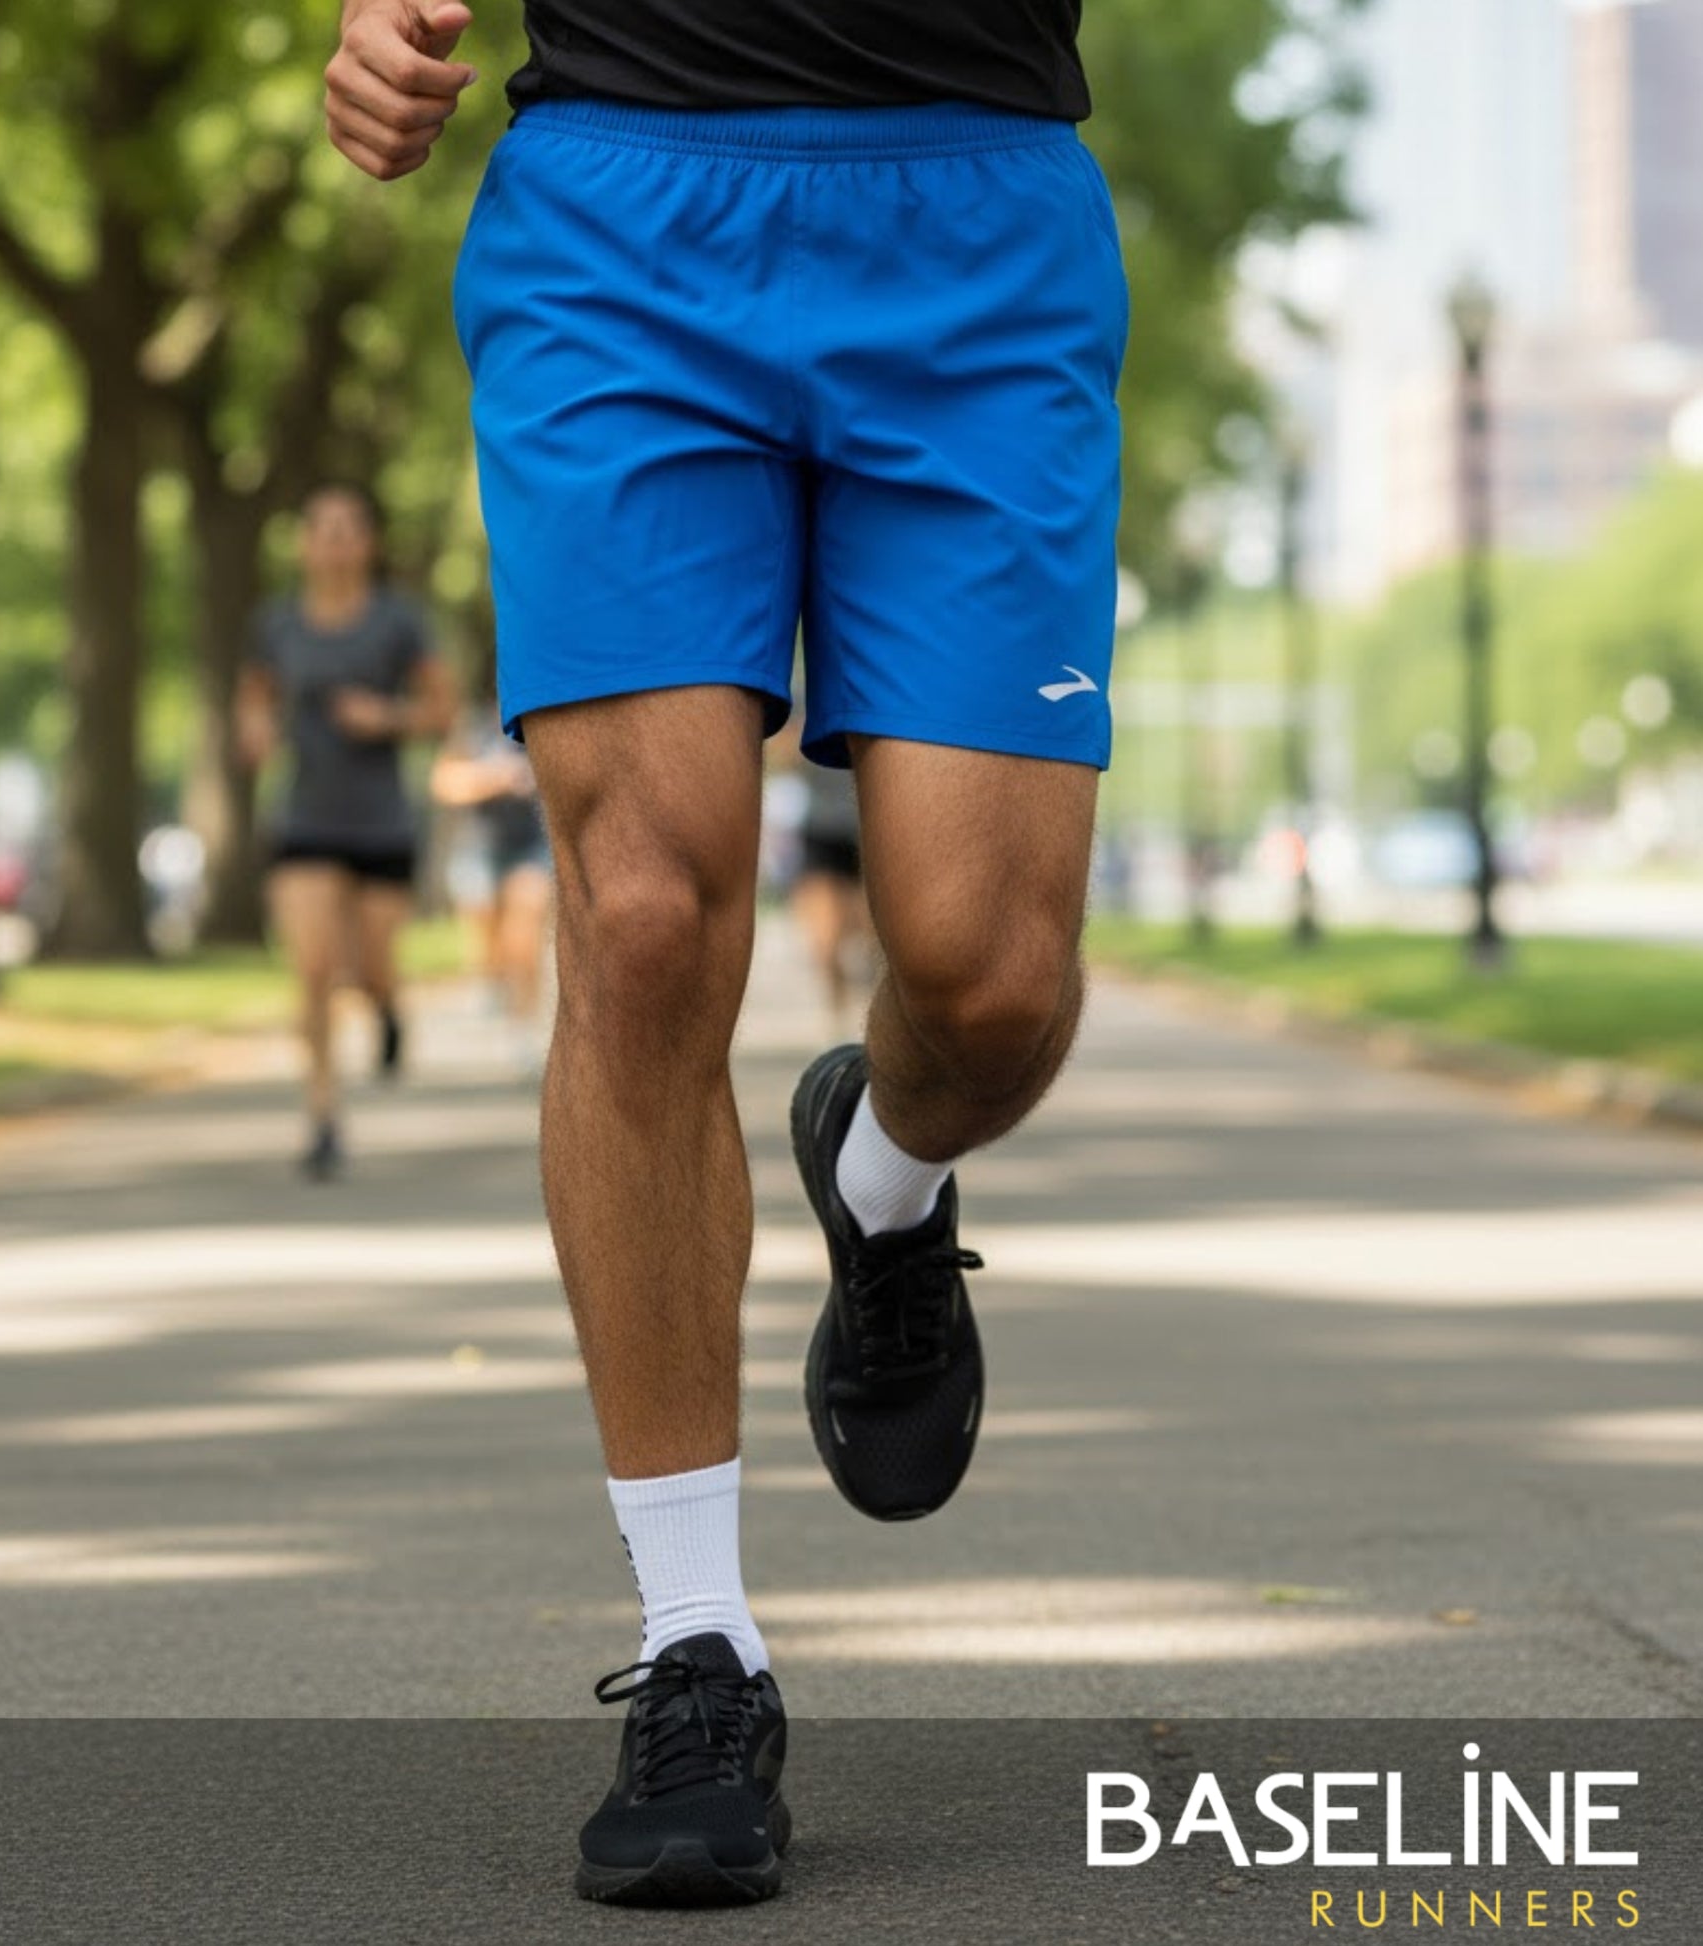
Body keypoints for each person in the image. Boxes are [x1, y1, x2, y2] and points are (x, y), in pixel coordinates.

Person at [326, 0, 1124, 1905]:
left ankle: (890, 1168)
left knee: (991, 973)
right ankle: (699, 1649)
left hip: (979, 210)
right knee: (648, 907)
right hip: (625, 206)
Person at [237, 483, 457, 1179]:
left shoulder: (397, 622)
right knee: (312, 969)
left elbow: (441, 710)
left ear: (368, 543)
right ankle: (323, 1116)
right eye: (321, 528)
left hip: (381, 822)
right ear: (303, 542)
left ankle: (389, 1011)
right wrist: (256, 733)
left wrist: (386, 718)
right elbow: (254, 694)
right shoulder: (278, 623)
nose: (333, 541)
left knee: (369, 970)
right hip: (305, 817)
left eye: (347, 529)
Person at [431, 704, 553, 1074]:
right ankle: (491, 978)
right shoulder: (473, 728)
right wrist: (494, 779)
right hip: (480, 846)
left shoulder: (546, 720)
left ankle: (523, 1029)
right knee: (486, 931)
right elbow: (444, 783)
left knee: (526, 931)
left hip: (532, 846)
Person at [791, 757, 874, 1035]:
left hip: (869, 826)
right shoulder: (800, 712)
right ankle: (838, 1016)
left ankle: (872, 1013)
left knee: (874, 941)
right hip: (822, 828)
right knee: (825, 943)